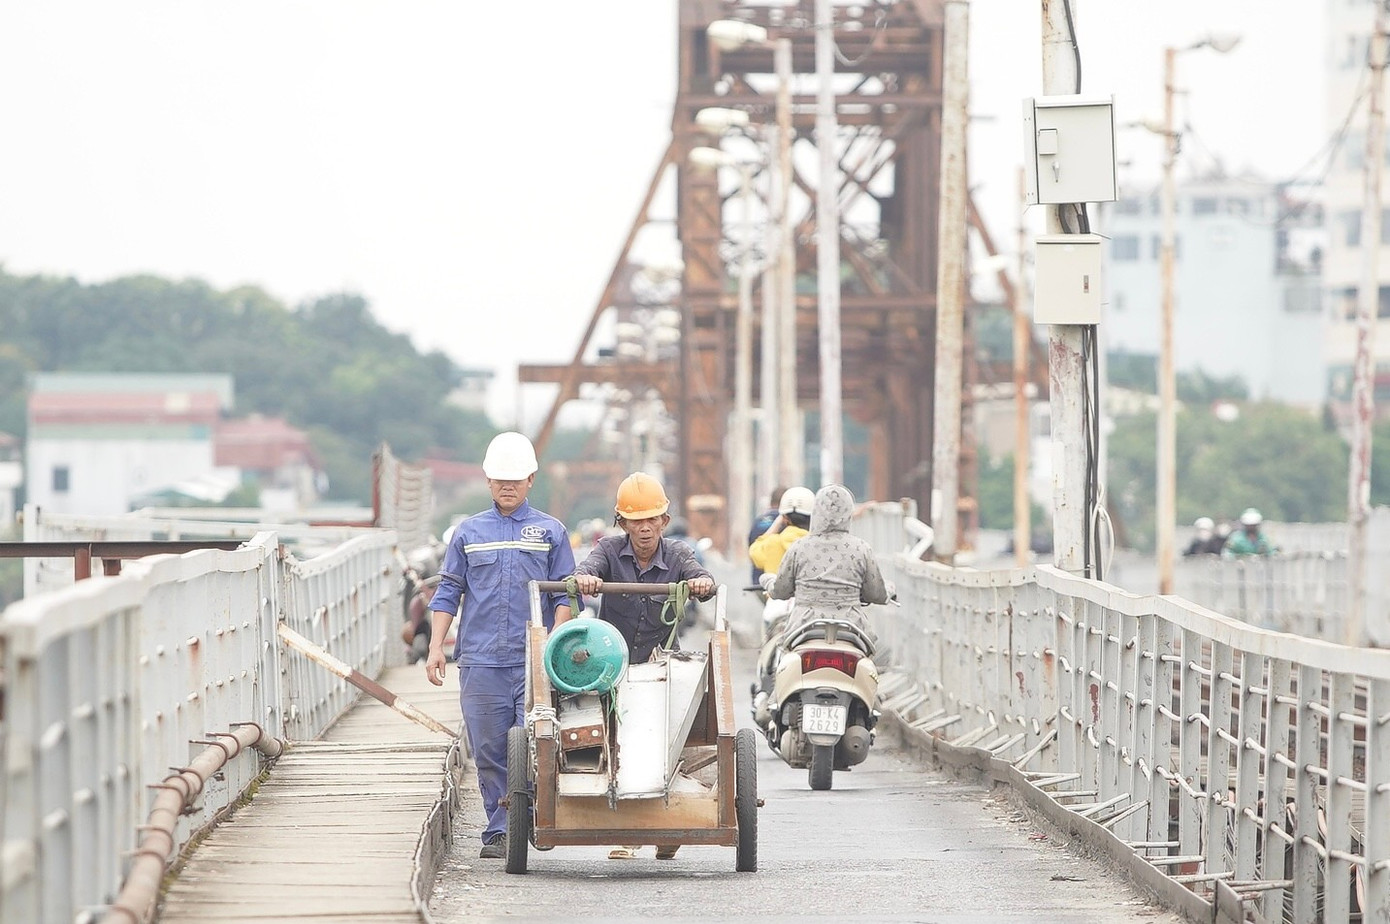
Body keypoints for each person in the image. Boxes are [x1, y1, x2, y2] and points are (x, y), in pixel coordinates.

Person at [424, 431, 576, 860]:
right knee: (489, 747)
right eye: (499, 479)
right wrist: (436, 646)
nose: (507, 486)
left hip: (534, 660)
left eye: (515, 479)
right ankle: (499, 826)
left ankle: (527, 817)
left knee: (535, 740)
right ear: (488, 481)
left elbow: (565, 595)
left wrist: (552, 644)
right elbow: (448, 591)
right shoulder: (468, 533)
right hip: (481, 661)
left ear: (531, 479)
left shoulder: (550, 531)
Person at [569, 471, 715, 860]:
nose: (645, 527)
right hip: (614, 666)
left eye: (652, 519)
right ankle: (628, 832)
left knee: (670, 743)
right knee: (621, 743)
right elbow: (588, 567)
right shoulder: (608, 550)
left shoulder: (679, 553)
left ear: (664, 522)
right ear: (623, 523)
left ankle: (670, 828)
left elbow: (700, 576)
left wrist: (701, 584)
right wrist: (585, 580)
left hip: (663, 665)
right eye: (636, 520)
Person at [766, 483, 892, 644]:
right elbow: (876, 594)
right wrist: (889, 590)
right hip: (852, 630)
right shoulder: (861, 548)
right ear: (848, 512)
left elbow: (781, 591)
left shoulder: (799, 547)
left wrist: (768, 581)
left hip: (803, 629)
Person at [748, 485, 814, 578]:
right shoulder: (819, 544)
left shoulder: (773, 543)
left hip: (776, 591)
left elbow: (753, 551)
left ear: (784, 517)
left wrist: (776, 524)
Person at [747, 486, 787, 582]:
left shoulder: (757, 521)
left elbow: (751, 548)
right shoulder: (787, 520)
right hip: (780, 582)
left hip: (758, 581)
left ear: (771, 502)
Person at [401, 573, 441, 664]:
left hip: (418, 624)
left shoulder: (416, 599)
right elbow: (430, 602)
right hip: (419, 626)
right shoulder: (420, 599)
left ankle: (418, 656)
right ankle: (420, 656)